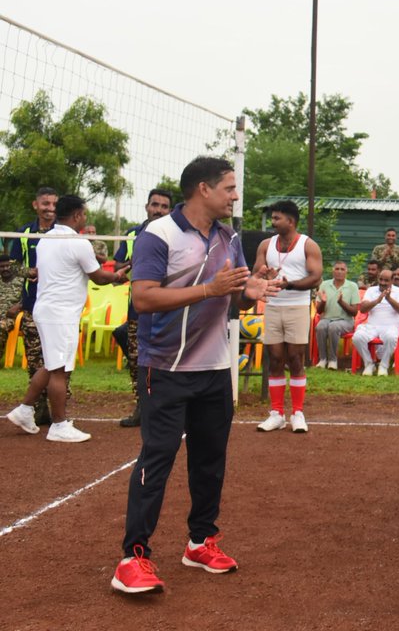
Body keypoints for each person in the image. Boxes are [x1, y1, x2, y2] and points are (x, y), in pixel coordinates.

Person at [110, 156, 277, 594]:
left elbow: (233, 299)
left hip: (215, 370)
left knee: (210, 461)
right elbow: (143, 299)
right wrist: (211, 289)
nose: (235, 196)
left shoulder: (228, 236)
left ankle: (200, 542)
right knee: (157, 460)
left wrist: (250, 291)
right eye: (229, 188)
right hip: (165, 368)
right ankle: (132, 558)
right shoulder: (157, 234)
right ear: (203, 189)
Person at [6, 195, 129, 442]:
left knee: (52, 364)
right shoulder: (78, 242)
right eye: (83, 214)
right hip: (60, 315)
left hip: (46, 310)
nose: (85, 218)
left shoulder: (44, 240)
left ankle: (24, 410)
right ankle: (59, 425)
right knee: (60, 370)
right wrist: (118, 277)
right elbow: (97, 277)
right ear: (76, 216)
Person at [254, 200, 323, 433]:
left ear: (291, 221)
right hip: (273, 307)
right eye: (273, 218)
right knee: (274, 358)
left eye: (277, 218)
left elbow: (315, 277)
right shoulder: (266, 244)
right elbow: (256, 273)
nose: (272, 222)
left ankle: (298, 413)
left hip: (297, 306)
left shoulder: (308, 245)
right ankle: (276, 413)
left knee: (295, 358)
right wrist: (264, 274)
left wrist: (289, 285)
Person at [112, 188, 174, 427]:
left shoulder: (176, 234)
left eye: (164, 206)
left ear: (170, 210)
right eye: (154, 205)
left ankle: (170, 408)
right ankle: (142, 407)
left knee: (170, 360)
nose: (158, 210)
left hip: (170, 310)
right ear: (147, 206)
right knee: (139, 361)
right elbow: (118, 262)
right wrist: (130, 264)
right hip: (139, 309)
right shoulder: (134, 234)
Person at [10, 186, 58, 426]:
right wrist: (29, 272)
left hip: (58, 307)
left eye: (53, 205)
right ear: (36, 205)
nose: (50, 209)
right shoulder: (25, 232)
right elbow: (10, 267)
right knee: (35, 359)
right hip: (32, 306)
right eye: (45, 204)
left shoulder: (64, 231)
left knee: (59, 361)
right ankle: (39, 409)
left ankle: (61, 408)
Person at [352, 268, 399, 376]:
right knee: (357, 337)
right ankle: (369, 364)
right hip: (372, 325)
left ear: (392, 281)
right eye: (381, 279)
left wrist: (389, 298)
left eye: (386, 280)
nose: (382, 283)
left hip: (391, 326)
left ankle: (384, 365)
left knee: (391, 338)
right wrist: (377, 300)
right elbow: (363, 309)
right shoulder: (371, 290)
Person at [315, 261, 359, 369]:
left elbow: (354, 312)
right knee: (320, 326)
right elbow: (319, 311)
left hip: (345, 321)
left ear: (346, 272)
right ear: (332, 271)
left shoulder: (352, 286)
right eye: (337, 269)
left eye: (342, 269)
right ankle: (323, 359)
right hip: (327, 318)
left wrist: (341, 303)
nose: (339, 271)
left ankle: (333, 360)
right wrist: (323, 301)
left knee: (333, 327)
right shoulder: (325, 284)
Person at [0, 255, 30, 351]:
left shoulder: (21, 281)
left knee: (1, 327)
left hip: (10, 317)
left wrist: (19, 306)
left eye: (7, 266)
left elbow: (29, 298)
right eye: (2, 267)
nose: (5, 269)